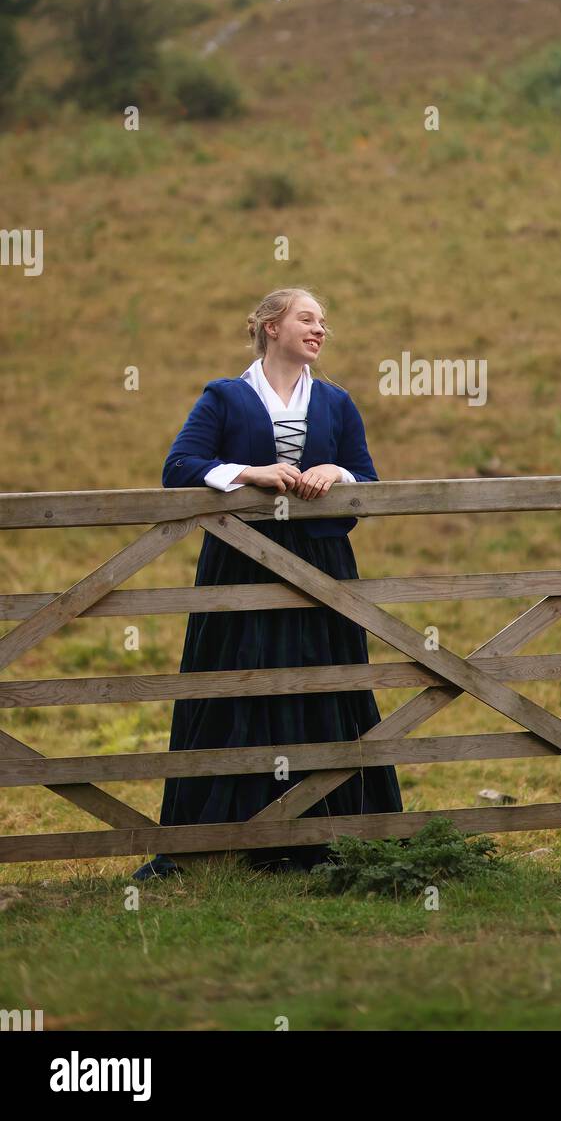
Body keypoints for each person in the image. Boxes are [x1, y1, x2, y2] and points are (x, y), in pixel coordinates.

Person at [132, 286, 402, 880]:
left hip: (322, 569)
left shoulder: (337, 402)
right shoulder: (225, 397)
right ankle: (221, 840)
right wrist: (249, 473)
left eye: (324, 321)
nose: (320, 329)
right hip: (240, 563)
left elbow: (368, 482)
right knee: (238, 682)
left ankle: (330, 837)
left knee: (323, 680)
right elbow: (179, 467)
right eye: (307, 318)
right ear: (271, 327)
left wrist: (337, 472)